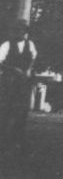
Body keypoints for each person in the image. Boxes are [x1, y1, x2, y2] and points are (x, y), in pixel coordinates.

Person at [0, 19, 37, 153]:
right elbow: (0, 61)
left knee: (22, 111)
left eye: (23, 30)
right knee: (6, 110)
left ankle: (18, 139)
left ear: (25, 32)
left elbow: (33, 58)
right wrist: (14, 69)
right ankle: (3, 140)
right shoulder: (6, 45)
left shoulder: (30, 44)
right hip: (9, 82)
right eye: (17, 30)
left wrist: (28, 69)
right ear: (14, 31)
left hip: (23, 83)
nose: (20, 33)